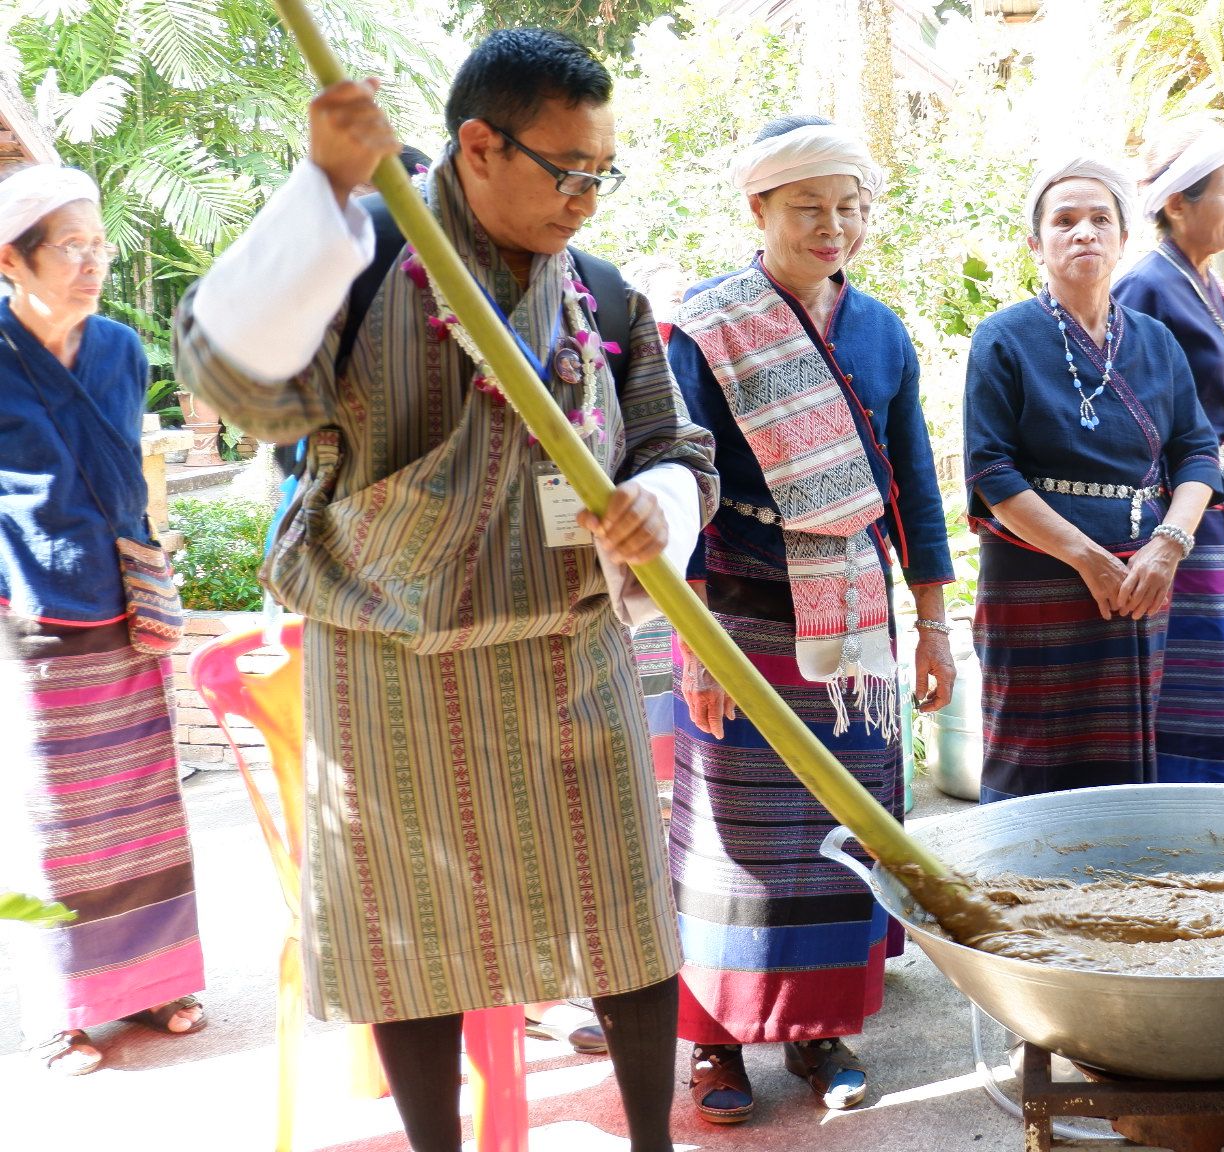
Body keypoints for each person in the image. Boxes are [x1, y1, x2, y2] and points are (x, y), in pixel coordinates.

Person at [171, 29, 717, 1152]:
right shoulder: (365, 254)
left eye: (602, 172)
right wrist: (322, 187)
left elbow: (677, 445)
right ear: (478, 146)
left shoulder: (604, 298)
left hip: (569, 655)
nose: (588, 200)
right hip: (389, 667)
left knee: (626, 925)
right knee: (409, 941)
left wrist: (659, 498)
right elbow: (229, 372)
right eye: (569, 171)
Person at [664, 114, 953, 1123]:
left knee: (840, 833)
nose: (834, 227)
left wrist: (933, 626)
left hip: (857, 630)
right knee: (732, 842)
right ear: (757, 211)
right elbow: (677, 483)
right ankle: (712, 1045)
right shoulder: (702, 329)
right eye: (809, 209)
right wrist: (693, 644)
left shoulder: (878, 331)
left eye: (849, 207)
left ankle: (818, 1030)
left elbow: (914, 483)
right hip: (739, 618)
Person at [0, 165, 207, 1076]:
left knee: (145, 807)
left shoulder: (123, 348)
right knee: (53, 816)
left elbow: (130, 467)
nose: (91, 263)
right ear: (12, 259)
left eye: (98, 245)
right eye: (69, 247)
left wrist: (152, 568)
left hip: (127, 604)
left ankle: (158, 981)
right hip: (31, 610)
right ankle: (69, 1011)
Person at [964, 155, 1223, 802]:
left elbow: (1197, 453)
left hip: (1139, 579)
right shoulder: (1002, 339)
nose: (1084, 233)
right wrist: (1086, 558)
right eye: (1065, 221)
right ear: (1036, 243)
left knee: (1123, 764)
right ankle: (1016, 901)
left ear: (1123, 239)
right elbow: (991, 470)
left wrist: (1169, 545)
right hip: (1036, 576)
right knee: (1031, 756)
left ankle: (1117, 900)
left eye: (1099, 219)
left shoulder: (1157, 341)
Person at [1113, 122, 1224, 784]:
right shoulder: (1147, 286)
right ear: (1178, 203)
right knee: (1201, 699)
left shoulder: (1206, 283)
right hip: (1184, 519)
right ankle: (1183, 837)